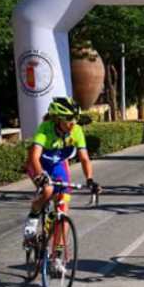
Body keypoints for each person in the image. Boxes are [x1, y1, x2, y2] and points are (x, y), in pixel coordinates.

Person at [22, 97, 98, 256]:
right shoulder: (45, 128)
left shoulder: (76, 130)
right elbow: (34, 157)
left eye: (75, 120)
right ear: (58, 119)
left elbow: (84, 158)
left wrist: (90, 180)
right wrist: (41, 175)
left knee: (63, 207)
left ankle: (57, 255)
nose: (73, 124)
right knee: (48, 190)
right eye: (69, 120)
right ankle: (31, 224)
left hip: (58, 165)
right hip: (38, 164)